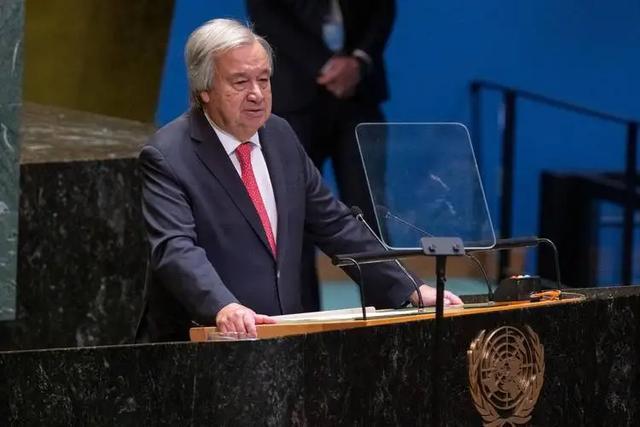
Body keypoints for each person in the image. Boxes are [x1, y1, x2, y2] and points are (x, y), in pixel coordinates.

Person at [135, 19, 461, 342]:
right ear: (204, 90)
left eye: (264, 79)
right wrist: (223, 306)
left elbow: (335, 225)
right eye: (240, 82)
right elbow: (175, 248)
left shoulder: (280, 135)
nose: (257, 94)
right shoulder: (169, 154)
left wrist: (410, 288)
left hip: (280, 339)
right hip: (200, 344)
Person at [246, 0, 396, 308]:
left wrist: (358, 61)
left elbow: (382, 8)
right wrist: (326, 65)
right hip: (293, 99)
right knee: (293, 217)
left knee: (371, 214)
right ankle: (304, 324)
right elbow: (266, 13)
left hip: (359, 97)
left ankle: (389, 315)